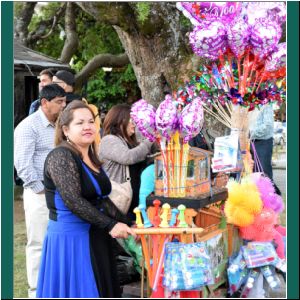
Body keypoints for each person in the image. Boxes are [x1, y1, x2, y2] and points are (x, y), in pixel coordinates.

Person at [36, 100, 136, 298]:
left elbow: (102, 200)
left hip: (96, 234)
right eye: (80, 123)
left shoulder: (92, 158)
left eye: (91, 122)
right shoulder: (61, 156)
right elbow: (73, 200)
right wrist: (111, 225)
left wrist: (128, 223)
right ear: (65, 130)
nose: (88, 127)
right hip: (71, 240)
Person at [14, 84, 66, 298]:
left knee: (58, 240)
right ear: (45, 103)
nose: (64, 105)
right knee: (38, 242)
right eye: (59, 102)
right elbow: (22, 164)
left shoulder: (61, 125)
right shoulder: (28, 126)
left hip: (63, 193)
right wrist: (41, 190)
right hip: (39, 194)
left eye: (64, 101)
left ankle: (56, 286)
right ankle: (35, 290)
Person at [99, 104, 153, 221]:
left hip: (133, 203)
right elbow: (128, 157)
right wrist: (150, 140)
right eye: (131, 121)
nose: (134, 124)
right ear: (120, 120)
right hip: (118, 204)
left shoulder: (130, 142)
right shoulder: (109, 140)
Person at [249, 104, 281, 194]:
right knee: (251, 173)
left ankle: (272, 199)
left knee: (263, 173)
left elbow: (268, 126)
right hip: (249, 141)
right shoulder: (245, 103)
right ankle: (256, 200)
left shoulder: (266, 103)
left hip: (263, 141)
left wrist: (250, 132)